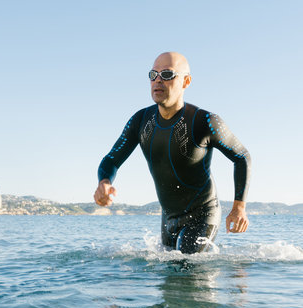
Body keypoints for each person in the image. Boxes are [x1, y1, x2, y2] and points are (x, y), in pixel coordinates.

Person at [94, 52, 251, 254]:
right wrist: (104, 182)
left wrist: (239, 207)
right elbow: (111, 160)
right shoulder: (140, 121)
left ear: (186, 81)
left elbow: (242, 156)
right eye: (153, 74)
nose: (158, 80)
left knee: (184, 266)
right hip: (168, 217)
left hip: (203, 214)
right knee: (169, 276)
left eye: (167, 74)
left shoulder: (205, 122)